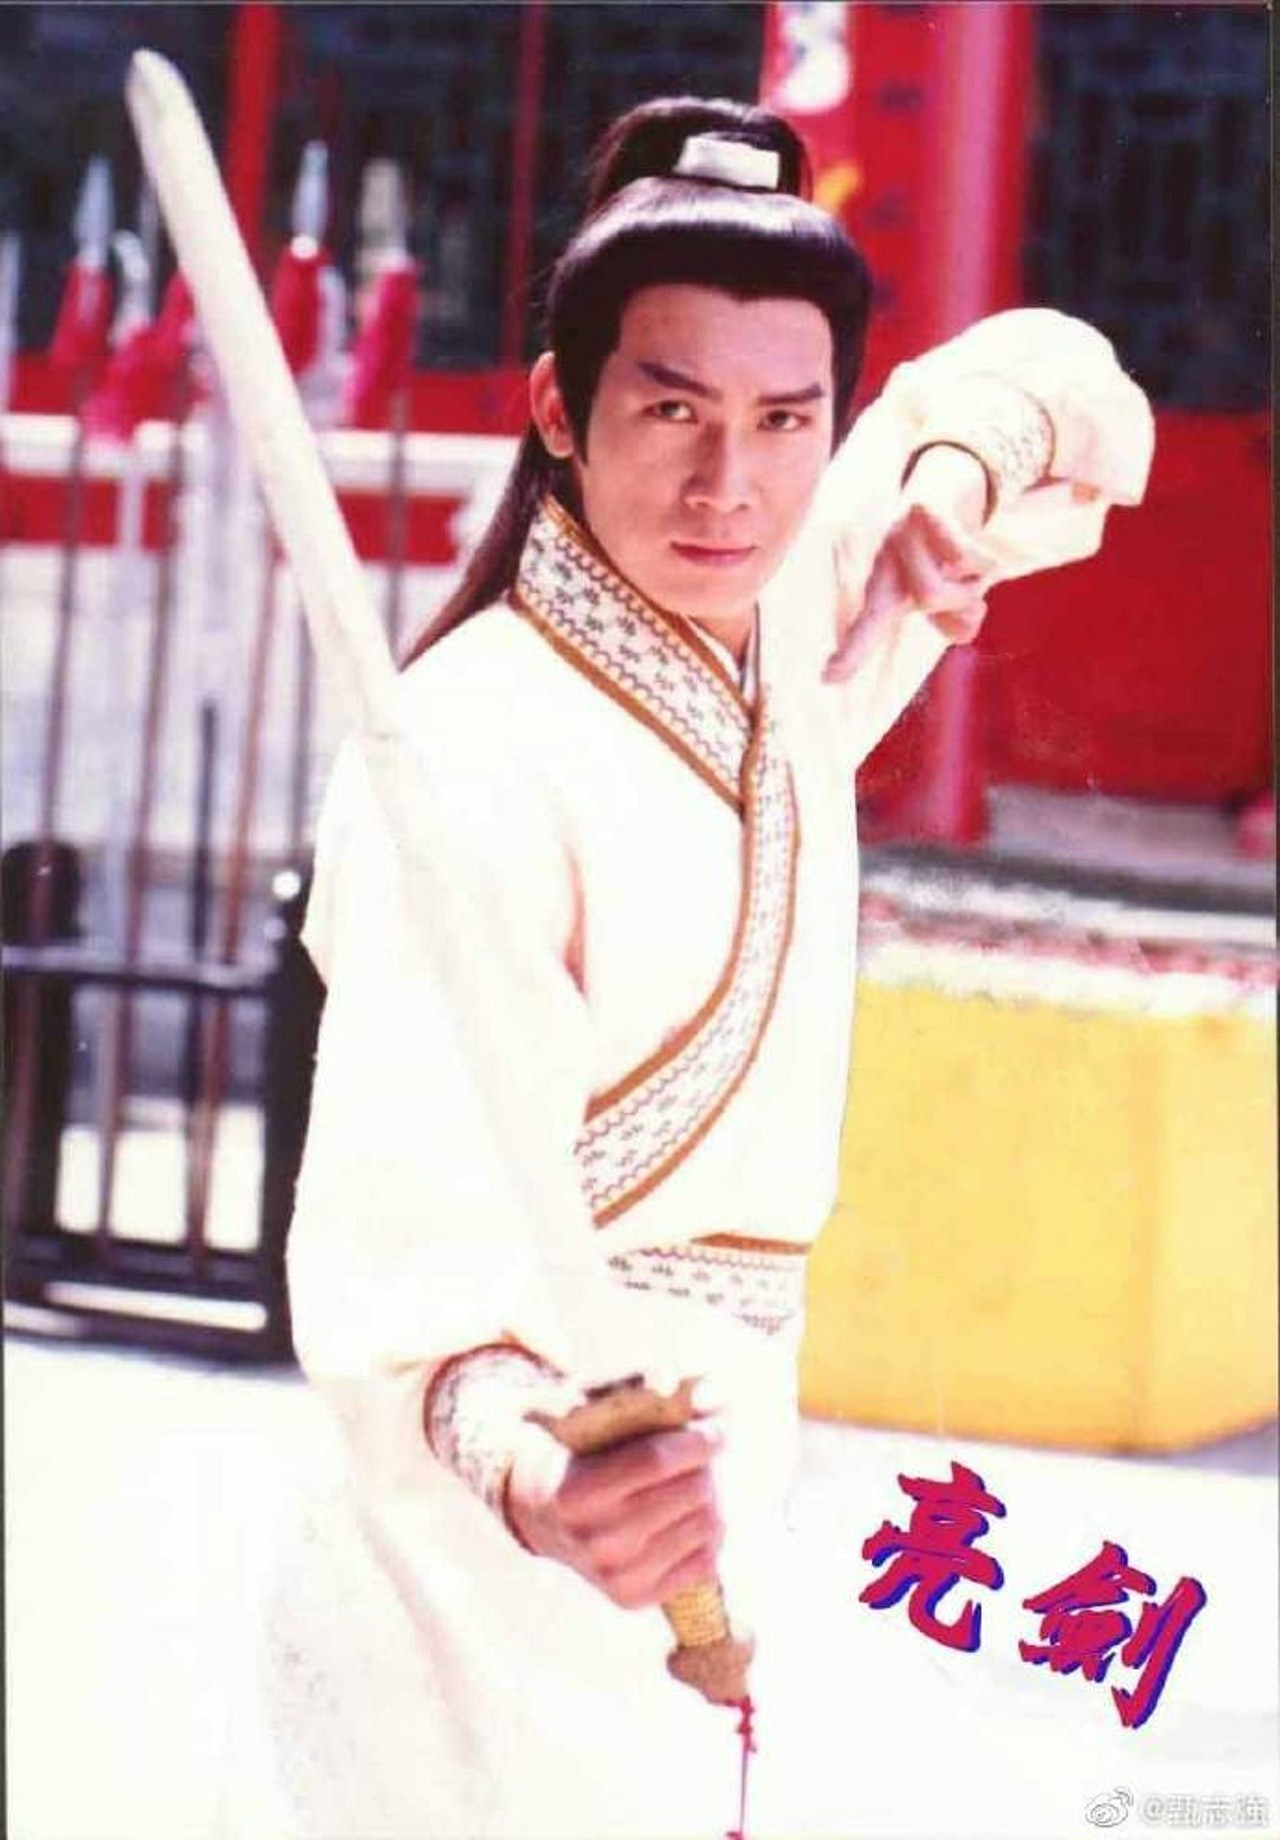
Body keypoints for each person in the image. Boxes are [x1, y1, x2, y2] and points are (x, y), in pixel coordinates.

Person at [229, 97, 1153, 1840]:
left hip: (734, 1451)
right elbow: (394, 1240)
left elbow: (1062, 382)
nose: (731, 484)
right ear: (558, 411)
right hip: (504, 1515)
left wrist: (936, 496)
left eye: (786, 420)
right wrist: (533, 1471)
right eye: (670, 412)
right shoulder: (471, 752)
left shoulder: (795, 621)